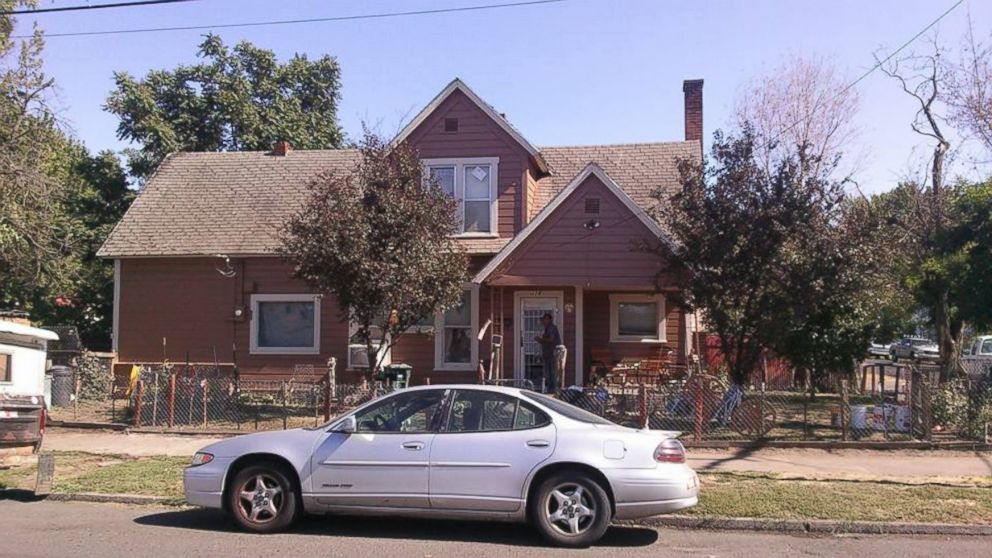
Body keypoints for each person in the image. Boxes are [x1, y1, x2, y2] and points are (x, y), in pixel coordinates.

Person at [534, 313, 562, 393]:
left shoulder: (551, 327)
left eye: (545, 319)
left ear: (549, 320)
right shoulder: (546, 328)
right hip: (547, 354)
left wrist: (540, 339)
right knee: (548, 372)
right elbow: (546, 341)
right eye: (543, 319)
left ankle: (554, 389)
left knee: (552, 372)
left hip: (552, 354)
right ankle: (550, 389)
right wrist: (540, 341)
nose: (543, 321)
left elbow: (551, 339)